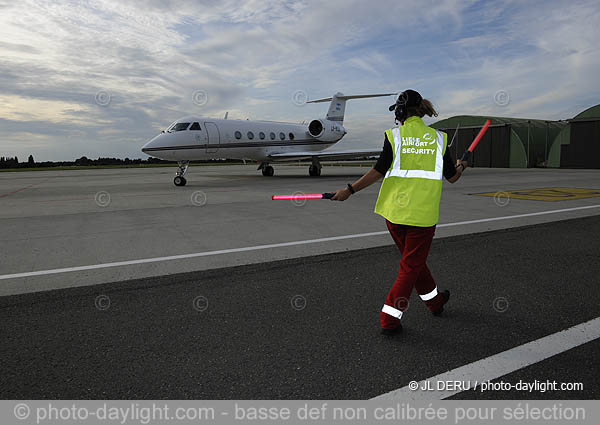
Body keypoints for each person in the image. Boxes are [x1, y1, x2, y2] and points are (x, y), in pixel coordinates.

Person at [331, 89, 468, 336]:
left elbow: (377, 171)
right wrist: (462, 166)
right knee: (410, 266)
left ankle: (435, 302)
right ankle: (389, 319)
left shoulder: (394, 136)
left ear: (401, 112)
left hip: (394, 214)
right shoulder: (438, 138)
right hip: (421, 216)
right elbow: (452, 178)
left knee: (412, 263)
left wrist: (349, 190)